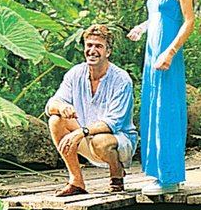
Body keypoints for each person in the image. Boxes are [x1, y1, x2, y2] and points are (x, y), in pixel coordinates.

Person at [128, 0, 196, 195]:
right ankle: (158, 173)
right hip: (151, 55)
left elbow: (188, 21)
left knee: (167, 111)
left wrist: (170, 51)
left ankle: (170, 177)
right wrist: (141, 28)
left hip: (168, 55)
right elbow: (159, 14)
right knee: (153, 110)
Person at [45, 24, 139, 197]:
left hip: (117, 140)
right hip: (85, 135)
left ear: (108, 52)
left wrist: (82, 131)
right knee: (56, 120)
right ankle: (76, 181)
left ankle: (116, 172)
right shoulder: (75, 73)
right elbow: (51, 105)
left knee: (100, 141)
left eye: (98, 46)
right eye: (89, 45)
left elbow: (114, 123)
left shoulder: (121, 79)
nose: (92, 50)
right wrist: (62, 106)